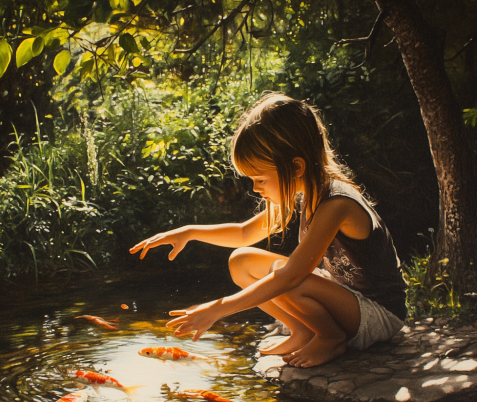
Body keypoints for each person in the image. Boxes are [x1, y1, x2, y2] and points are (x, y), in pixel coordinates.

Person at [129, 93, 407, 368]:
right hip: (345, 298)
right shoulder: (304, 191)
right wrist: (189, 232)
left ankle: (330, 337)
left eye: (260, 179)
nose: (255, 188)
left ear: (295, 167)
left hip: (378, 315)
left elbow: (291, 276)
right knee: (242, 261)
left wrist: (218, 309)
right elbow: (244, 234)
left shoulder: (336, 204)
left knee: (284, 276)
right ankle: (304, 330)